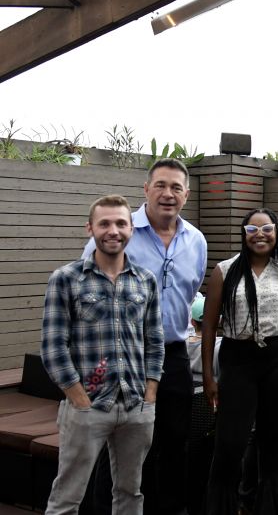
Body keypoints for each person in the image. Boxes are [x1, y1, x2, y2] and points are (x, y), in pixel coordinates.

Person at [84, 159, 207, 515]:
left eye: (176, 188)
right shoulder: (119, 231)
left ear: (186, 193)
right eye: (161, 185)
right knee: (119, 449)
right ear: (146, 189)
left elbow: (191, 290)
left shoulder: (195, 240)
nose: (168, 194)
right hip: (124, 357)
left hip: (174, 354)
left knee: (173, 444)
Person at [41, 194, 164, 514]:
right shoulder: (65, 279)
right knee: (67, 497)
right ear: (90, 229)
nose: (114, 230)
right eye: (105, 223)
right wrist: (79, 399)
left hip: (136, 406)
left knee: (130, 493)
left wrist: (150, 393)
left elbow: (155, 339)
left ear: (131, 230)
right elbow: (53, 347)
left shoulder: (145, 281)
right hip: (87, 408)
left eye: (121, 223)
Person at [202, 208, 278, 514]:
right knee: (230, 442)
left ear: (276, 233)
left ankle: (270, 507)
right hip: (238, 361)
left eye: (266, 229)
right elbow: (210, 326)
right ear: (244, 234)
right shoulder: (225, 271)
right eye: (252, 229)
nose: (260, 235)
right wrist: (210, 377)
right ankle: (223, 506)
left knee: (274, 441)